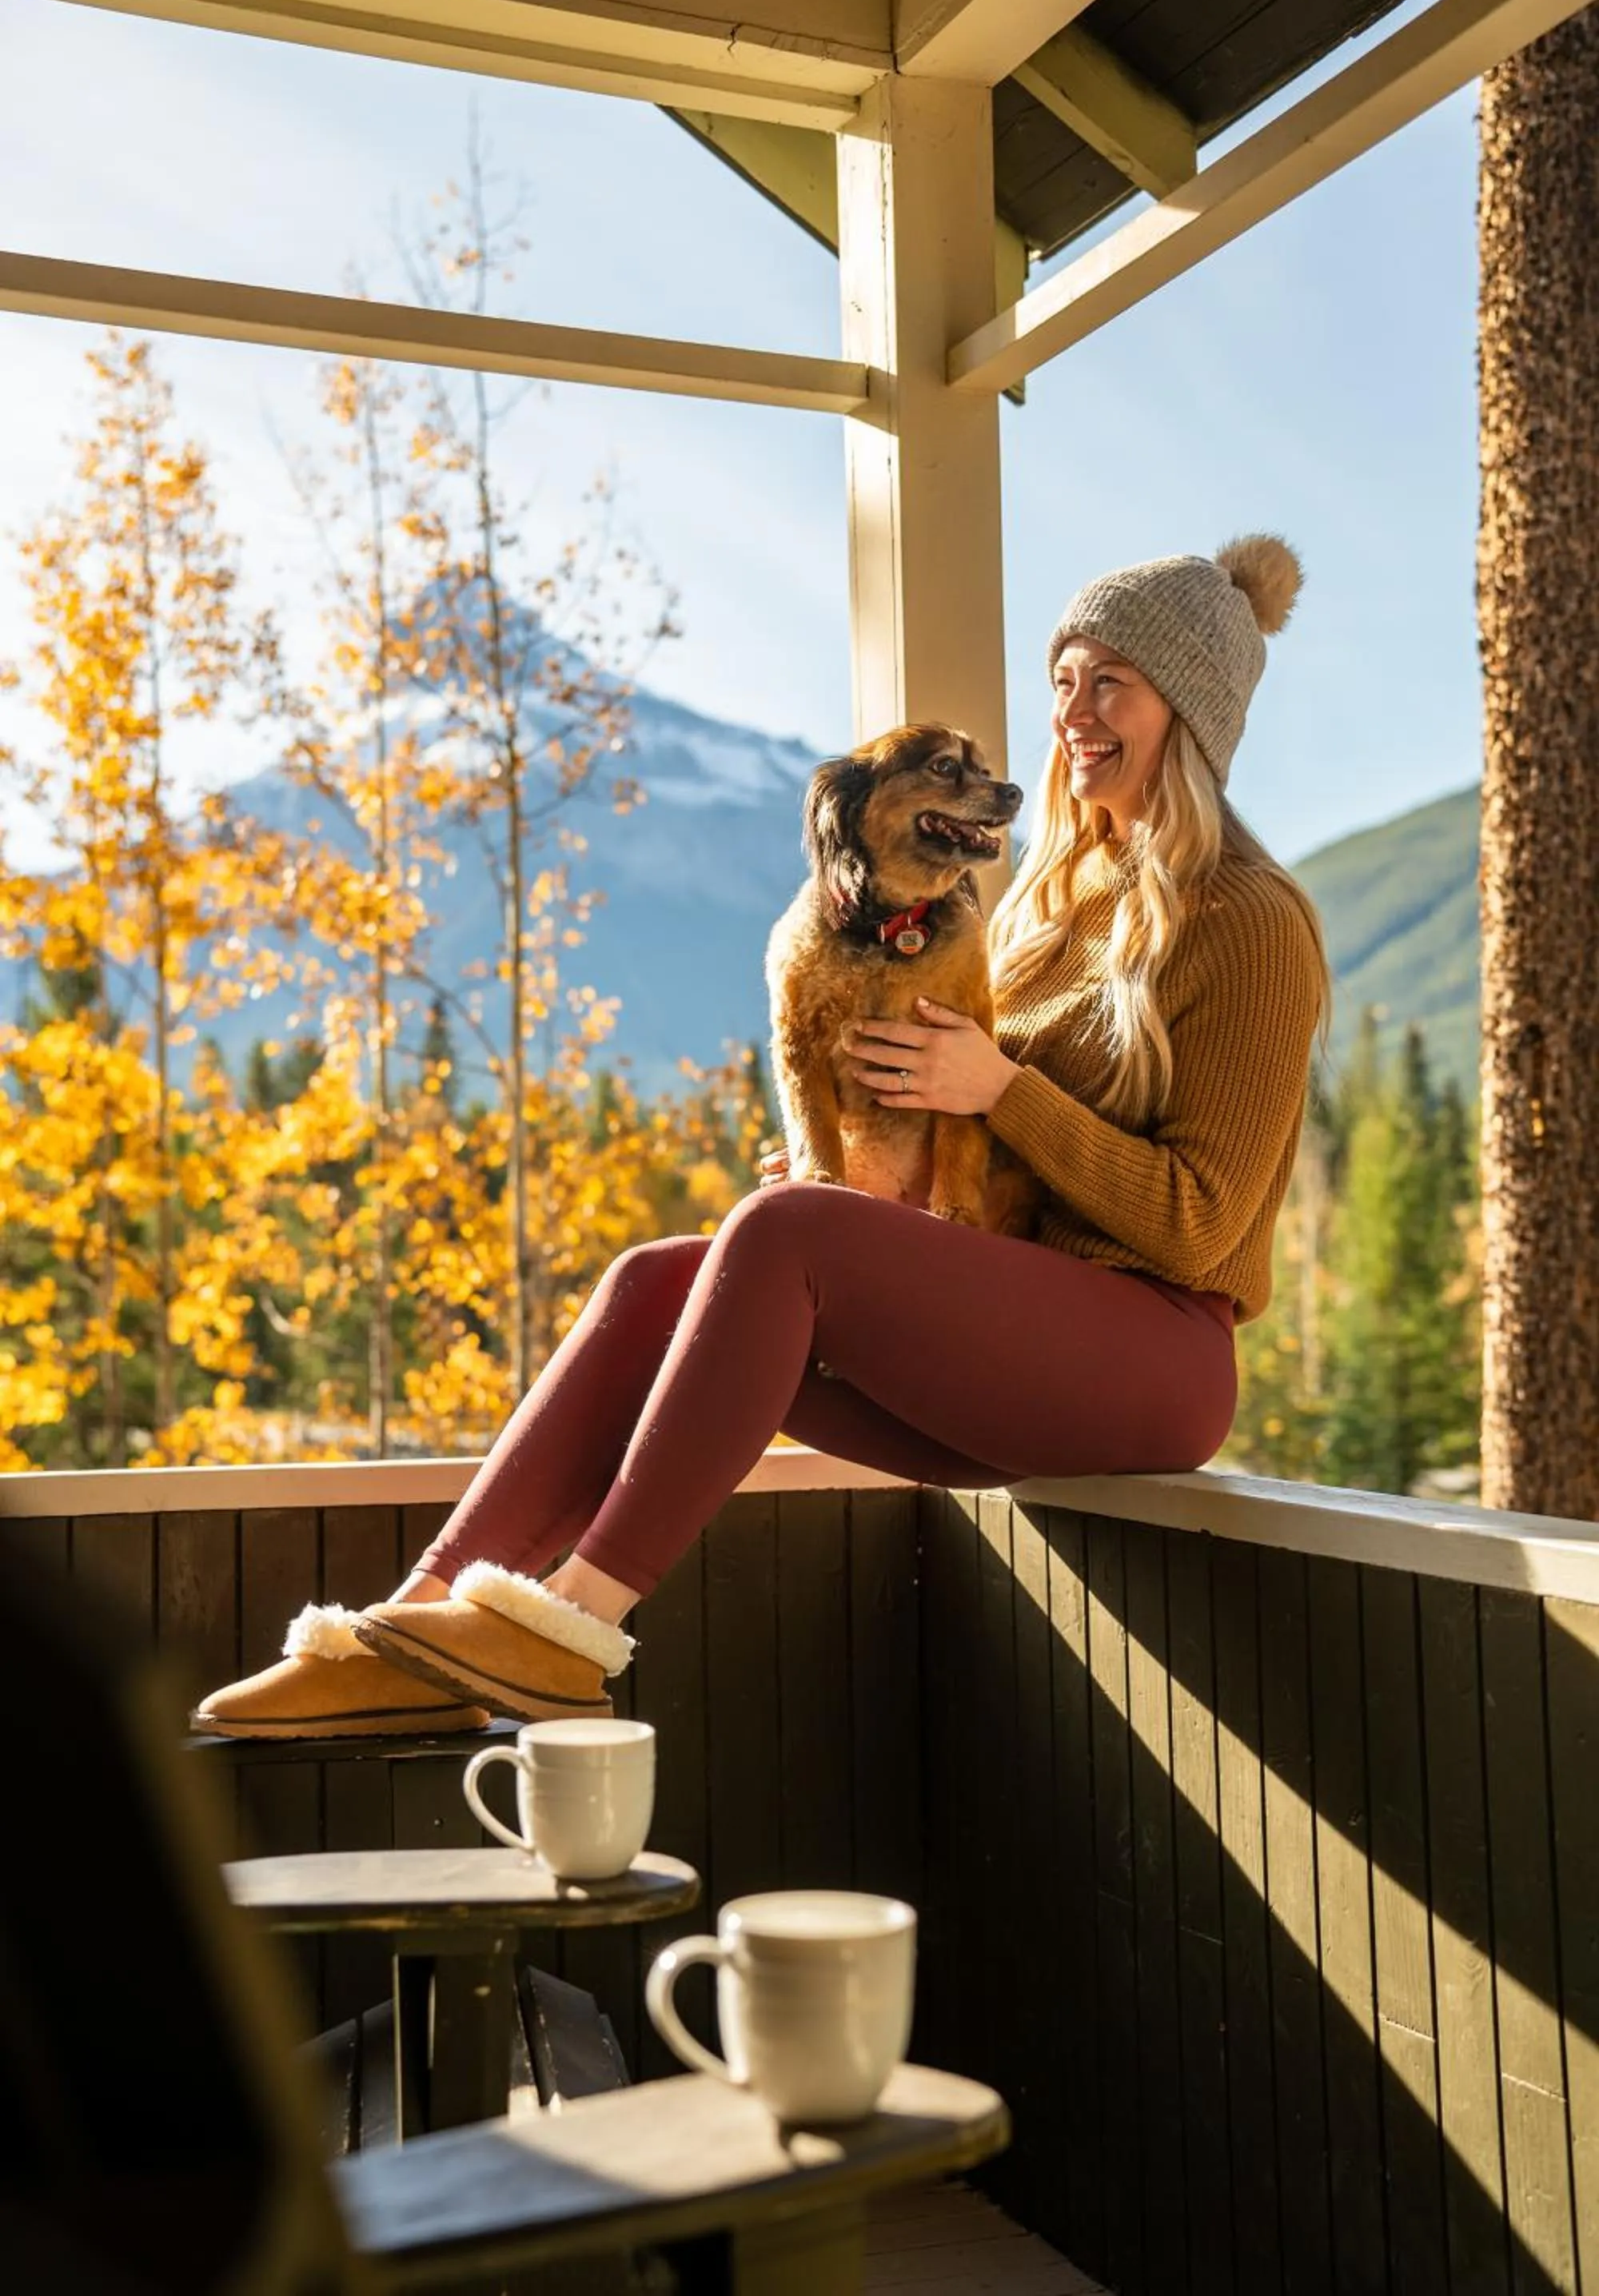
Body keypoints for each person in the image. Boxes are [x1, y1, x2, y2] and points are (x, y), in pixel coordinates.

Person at [195, 533, 1327, 1738]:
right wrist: (877, 1181)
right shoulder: (1045, 906)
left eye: (1113, 683)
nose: (1073, 713)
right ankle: (403, 1636)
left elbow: (1201, 1227)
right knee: (658, 1281)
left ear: (1191, 714)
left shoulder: (1252, 924)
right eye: (1063, 678)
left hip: (1154, 1355)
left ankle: (568, 1629)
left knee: (785, 1235)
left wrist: (998, 1091)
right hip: (1033, 1319)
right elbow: (986, 1171)